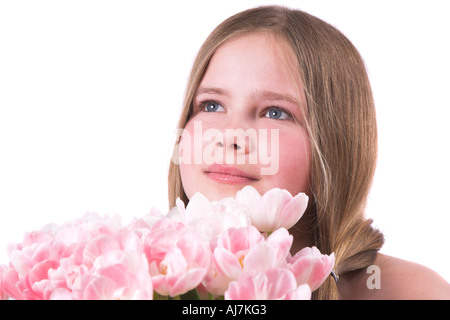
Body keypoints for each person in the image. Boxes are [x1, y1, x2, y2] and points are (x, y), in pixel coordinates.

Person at [167, 5, 450, 299]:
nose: (228, 136)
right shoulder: (134, 276)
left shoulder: (408, 291)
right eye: (211, 105)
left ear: (334, 145)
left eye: (275, 112)